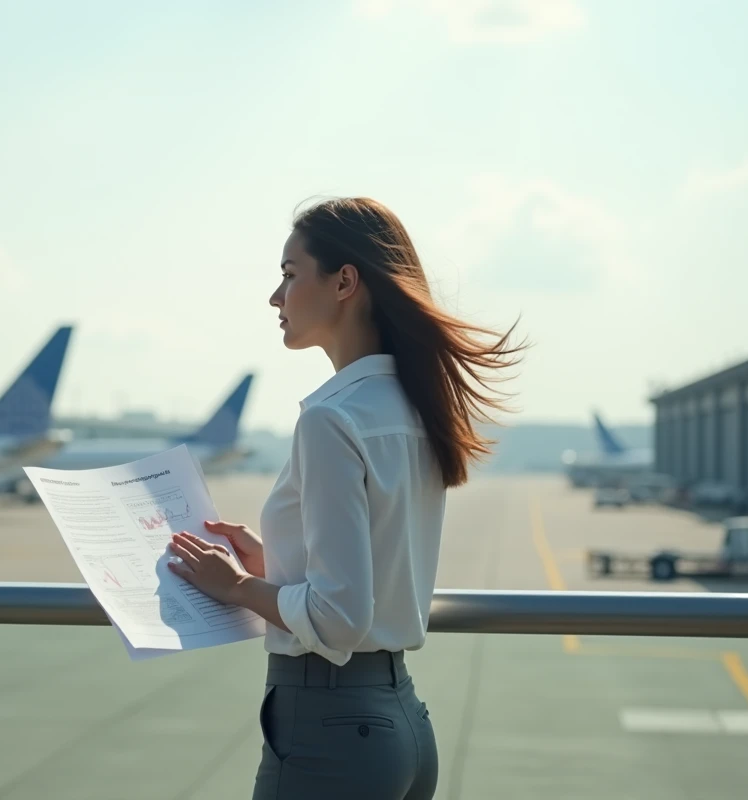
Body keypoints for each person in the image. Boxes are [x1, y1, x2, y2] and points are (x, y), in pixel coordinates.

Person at [166, 196, 524, 799]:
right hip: (401, 720)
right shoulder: (411, 408)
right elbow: (370, 574)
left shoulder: (331, 420)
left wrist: (232, 587)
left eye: (288, 275)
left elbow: (339, 618)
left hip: (329, 732)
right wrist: (272, 563)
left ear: (345, 282)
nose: (275, 298)